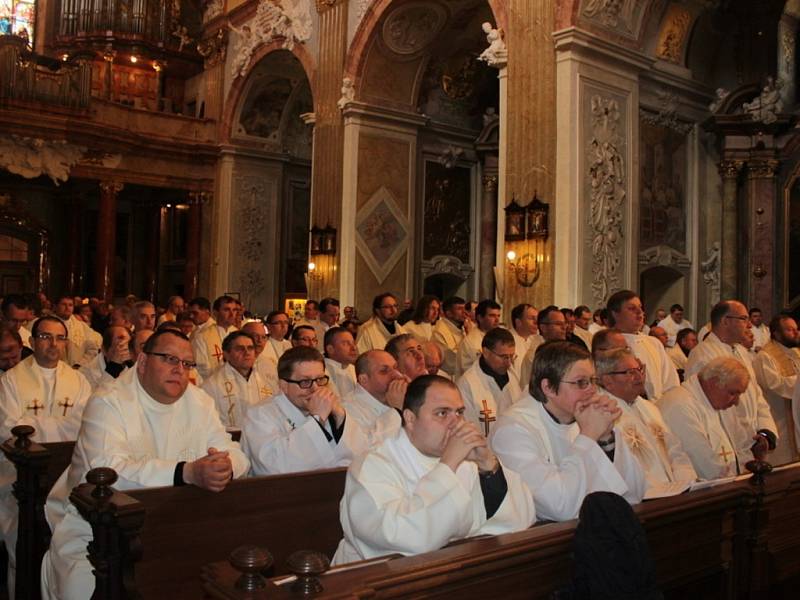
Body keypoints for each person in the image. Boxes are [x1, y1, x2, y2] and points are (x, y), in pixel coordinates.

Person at [40, 329, 249, 599]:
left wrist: (226, 466)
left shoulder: (199, 401)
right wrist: (186, 472)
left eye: (187, 364)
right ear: (142, 362)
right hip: (96, 532)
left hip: (177, 522)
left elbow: (234, 451)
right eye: (169, 359)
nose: (179, 370)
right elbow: (105, 472)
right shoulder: (108, 401)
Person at [333, 375, 535, 564]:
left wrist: (488, 466)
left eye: (459, 412)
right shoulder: (372, 465)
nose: (455, 423)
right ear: (410, 419)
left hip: (455, 570)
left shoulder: (468, 462)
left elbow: (520, 518)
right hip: (375, 582)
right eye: (442, 413)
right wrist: (448, 464)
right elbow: (404, 538)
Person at [491, 341, 645, 522]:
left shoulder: (585, 415)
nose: (592, 390)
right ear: (548, 387)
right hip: (541, 541)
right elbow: (560, 508)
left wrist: (606, 439)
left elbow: (634, 493)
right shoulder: (512, 430)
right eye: (581, 383)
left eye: (593, 381)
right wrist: (588, 436)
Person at [0, 316, 93, 595]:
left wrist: (35, 425)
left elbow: (85, 426)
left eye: (59, 338)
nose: (53, 344)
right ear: (31, 341)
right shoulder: (11, 380)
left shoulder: (78, 381)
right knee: (23, 549)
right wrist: (59, 427)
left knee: (61, 552)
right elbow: (8, 428)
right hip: (20, 479)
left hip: (66, 476)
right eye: (45, 337)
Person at [242, 346, 366, 474]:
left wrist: (340, 416)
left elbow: (359, 456)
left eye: (319, 379)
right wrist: (317, 419)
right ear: (283, 386)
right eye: (305, 381)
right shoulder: (259, 415)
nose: (315, 389)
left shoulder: (329, 408)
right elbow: (275, 466)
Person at [594, 347, 696, 494]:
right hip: (642, 499)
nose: (639, 376)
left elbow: (675, 450)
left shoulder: (650, 408)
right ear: (608, 380)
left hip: (674, 495)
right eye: (629, 372)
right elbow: (622, 466)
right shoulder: (602, 414)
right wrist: (661, 491)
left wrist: (685, 481)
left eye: (639, 369)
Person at [686, 300, 777, 462]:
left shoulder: (741, 351)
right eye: (743, 318)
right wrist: (743, 440)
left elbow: (756, 395)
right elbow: (705, 407)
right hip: (727, 445)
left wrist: (764, 431)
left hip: (751, 442)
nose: (749, 325)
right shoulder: (702, 355)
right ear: (725, 321)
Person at [660, 357, 759, 479]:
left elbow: (741, 446)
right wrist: (734, 483)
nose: (736, 402)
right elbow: (701, 460)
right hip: (702, 491)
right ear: (713, 382)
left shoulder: (720, 402)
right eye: (733, 393)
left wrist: (749, 472)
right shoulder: (679, 405)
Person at [606, 290, 679, 401]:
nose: (640, 312)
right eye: (631, 308)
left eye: (640, 307)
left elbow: (671, 382)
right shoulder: (608, 342)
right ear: (615, 314)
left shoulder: (654, 343)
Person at [457, 328, 522, 436]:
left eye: (511, 356)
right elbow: (469, 431)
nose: (509, 363)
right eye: (504, 357)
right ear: (486, 352)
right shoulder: (467, 384)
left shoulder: (512, 377)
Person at [753, 315, 800, 465]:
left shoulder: (796, 353)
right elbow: (774, 385)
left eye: (796, 329)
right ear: (776, 333)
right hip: (779, 416)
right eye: (789, 330)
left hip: (796, 415)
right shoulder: (765, 356)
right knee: (782, 463)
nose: (795, 333)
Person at [202, 331, 272, 431]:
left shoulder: (266, 379)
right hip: (230, 440)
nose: (247, 352)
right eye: (240, 349)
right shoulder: (211, 386)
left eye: (250, 348)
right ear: (226, 354)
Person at [343, 350, 407, 444]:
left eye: (395, 368)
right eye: (384, 371)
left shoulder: (402, 397)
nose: (397, 375)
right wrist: (397, 409)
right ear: (364, 379)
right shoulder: (347, 409)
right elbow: (366, 448)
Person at [518, 305, 567, 388]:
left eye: (564, 323)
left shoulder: (559, 348)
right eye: (558, 324)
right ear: (543, 328)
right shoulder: (535, 355)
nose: (564, 328)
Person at [191, 295, 239, 379]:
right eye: (226, 310)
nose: (232, 314)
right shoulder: (202, 337)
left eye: (234, 310)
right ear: (215, 313)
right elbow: (201, 369)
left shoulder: (239, 334)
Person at [52, 294, 101, 367]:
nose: (67, 308)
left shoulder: (82, 327)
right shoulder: (46, 324)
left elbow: (92, 348)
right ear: (55, 307)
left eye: (70, 305)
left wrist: (80, 364)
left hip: (77, 370)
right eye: (64, 304)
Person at [79, 325, 133, 390]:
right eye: (120, 347)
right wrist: (114, 367)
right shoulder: (85, 374)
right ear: (104, 350)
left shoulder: (131, 366)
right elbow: (97, 398)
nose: (125, 348)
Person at [456, 300, 501, 375]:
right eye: (492, 316)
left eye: (498, 316)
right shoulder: (470, 342)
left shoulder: (500, 337)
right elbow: (466, 370)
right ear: (480, 318)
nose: (497, 320)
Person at [432, 296, 466, 378]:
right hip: (448, 377)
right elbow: (452, 361)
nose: (464, 312)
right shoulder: (439, 331)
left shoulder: (464, 328)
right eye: (459, 309)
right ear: (448, 313)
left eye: (464, 308)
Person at [241, 320, 278, 395]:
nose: (260, 340)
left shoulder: (270, 365)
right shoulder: (236, 363)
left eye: (263, 337)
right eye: (255, 336)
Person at [324, 326, 358, 398]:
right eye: (346, 344)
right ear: (330, 349)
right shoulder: (322, 372)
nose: (354, 348)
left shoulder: (353, 368)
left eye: (353, 343)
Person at [509, 303, 540, 383]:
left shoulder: (537, 340)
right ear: (518, 322)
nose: (536, 322)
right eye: (532, 318)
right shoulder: (508, 340)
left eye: (537, 318)